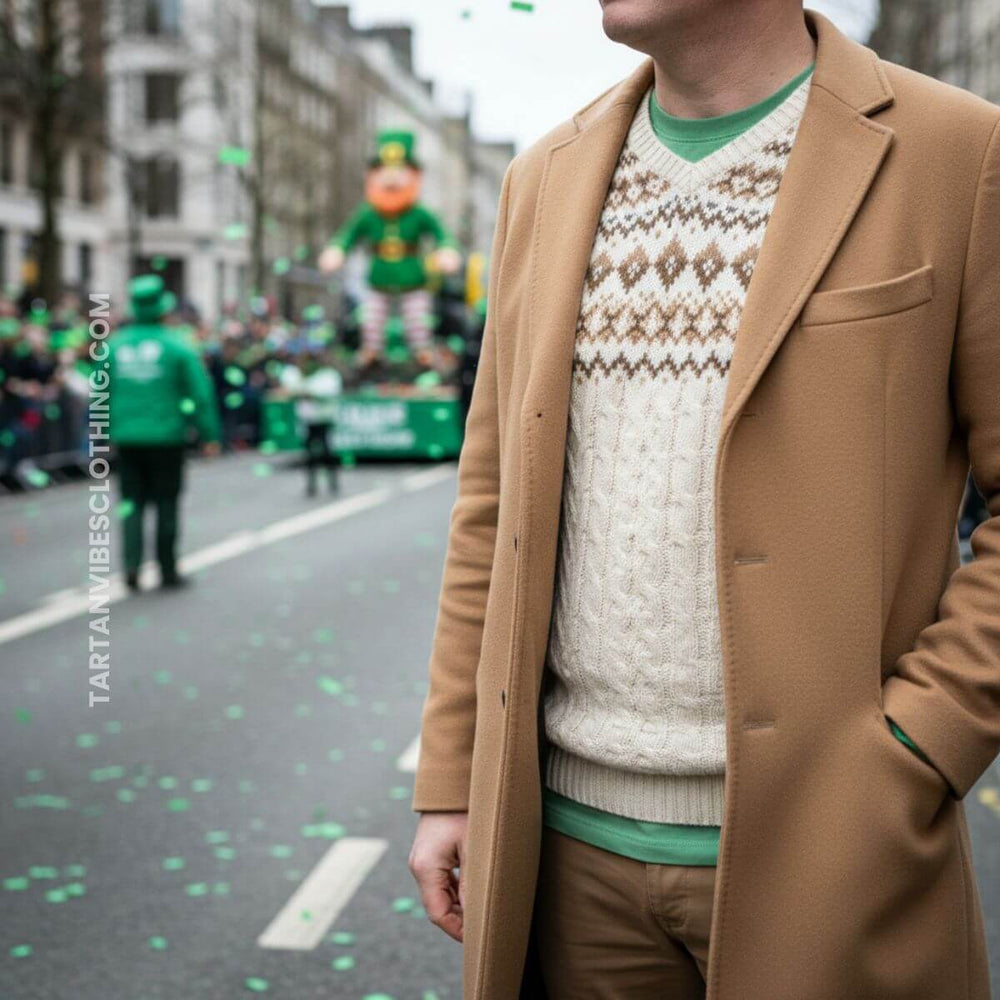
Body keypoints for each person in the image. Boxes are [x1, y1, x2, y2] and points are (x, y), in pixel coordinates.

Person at [408, 5, 1000, 999]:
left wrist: (918, 745)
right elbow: (491, 508)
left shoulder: (958, 154)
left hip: (832, 851)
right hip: (562, 861)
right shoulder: (540, 179)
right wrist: (451, 782)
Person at [107, 275, 221, 591]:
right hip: (167, 438)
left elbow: (99, 392)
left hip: (127, 437)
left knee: (131, 503)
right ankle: (167, 569)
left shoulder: (114, 347)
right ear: (162, 310)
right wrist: (209, 434)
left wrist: (103, 430)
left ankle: (131, 566)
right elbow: (200, 394)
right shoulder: (178, 347)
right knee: (166, 503)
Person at [279, 346, 343, 497]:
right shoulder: (300, 376)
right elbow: (290, 389)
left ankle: (332, 481)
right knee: (309, 454)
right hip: (308, 421)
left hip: (324, 420)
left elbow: (325, 393)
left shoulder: (327, 376)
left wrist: (306, 392)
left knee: (327, 452)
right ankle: (311, 484)